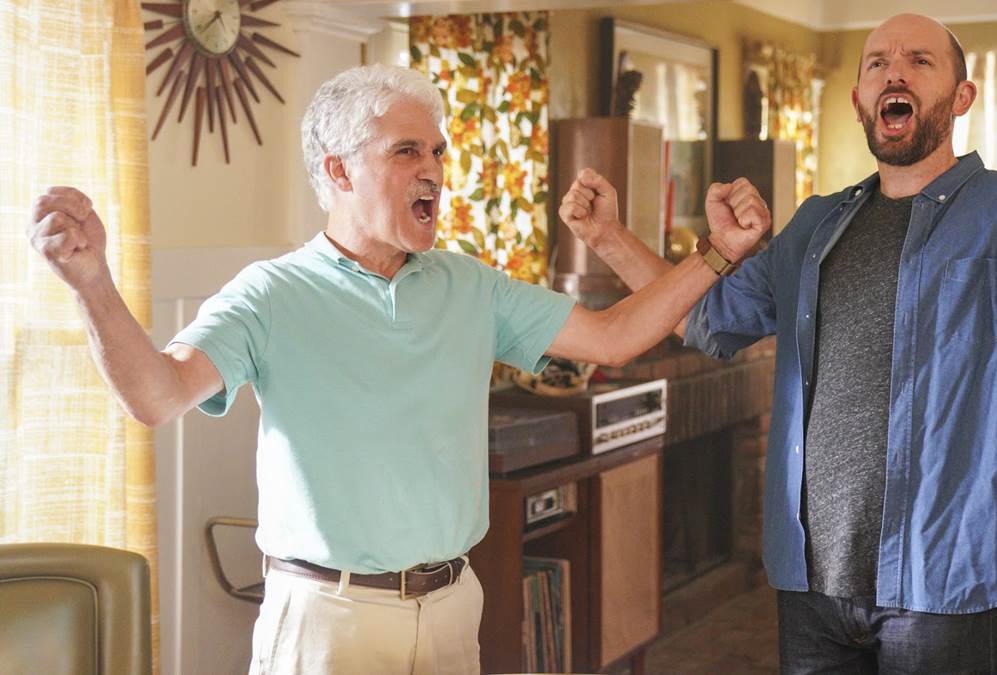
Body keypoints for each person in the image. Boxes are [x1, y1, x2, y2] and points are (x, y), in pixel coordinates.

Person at [26, 64, 770, 674]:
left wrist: (719, 253)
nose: (434, 171)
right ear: (338, 170)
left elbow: (612, 337)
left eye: (438, 152)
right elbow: (157, 395)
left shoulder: (469, 284)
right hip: (327, 622)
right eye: (407, 152)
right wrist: (93, 284)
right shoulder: (271, 294)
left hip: (452, 607)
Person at [559, 13, 997, 674]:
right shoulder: (814, 224)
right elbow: (707, 316)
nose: (894, 73)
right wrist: (607, 238)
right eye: (877, 63)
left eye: (919, 60)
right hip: (812, 587)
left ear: (962, 97)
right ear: (859, 100)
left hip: (947, 586)